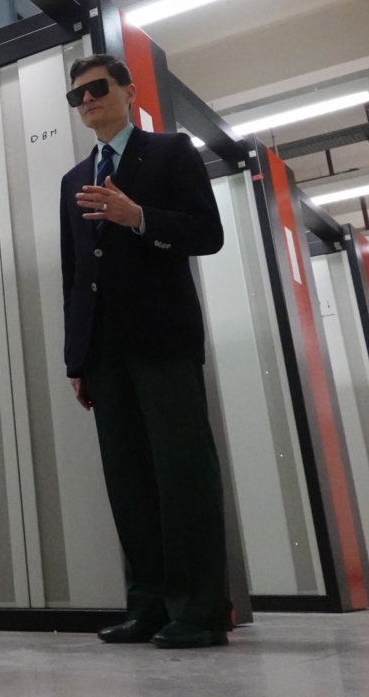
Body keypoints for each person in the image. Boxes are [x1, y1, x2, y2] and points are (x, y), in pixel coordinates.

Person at [58, 54, 230, 649]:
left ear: (128, 91)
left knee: (183, 476)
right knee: (128, 482)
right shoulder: (73, 180)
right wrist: (77, 358)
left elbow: (208, 233)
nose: (87, 101)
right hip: (104, 354)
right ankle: (148, 606)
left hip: (163, 341)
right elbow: (74, 275)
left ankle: (201, 611)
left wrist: (139, 218)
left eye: (97, 88)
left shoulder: (170, 152)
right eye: (76, 96)